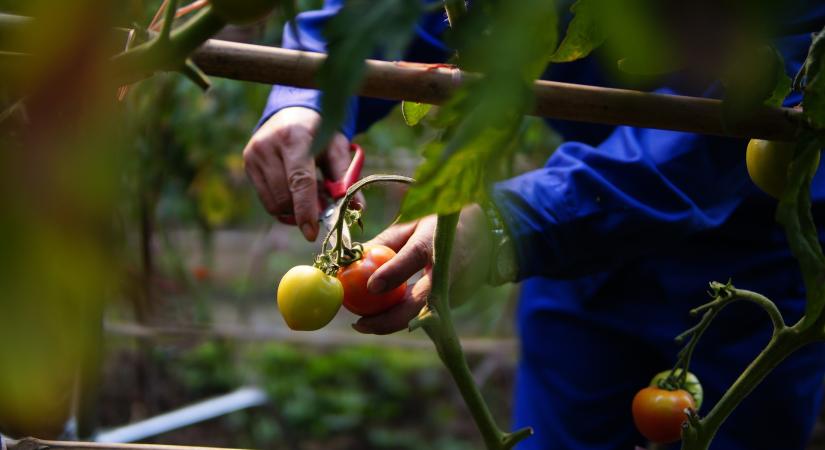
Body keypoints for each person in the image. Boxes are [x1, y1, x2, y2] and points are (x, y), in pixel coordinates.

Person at [243, 1, 825, 448]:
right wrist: (307, 97)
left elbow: (727, 129)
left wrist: (512, 221)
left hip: (758, 261)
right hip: (581, 250)